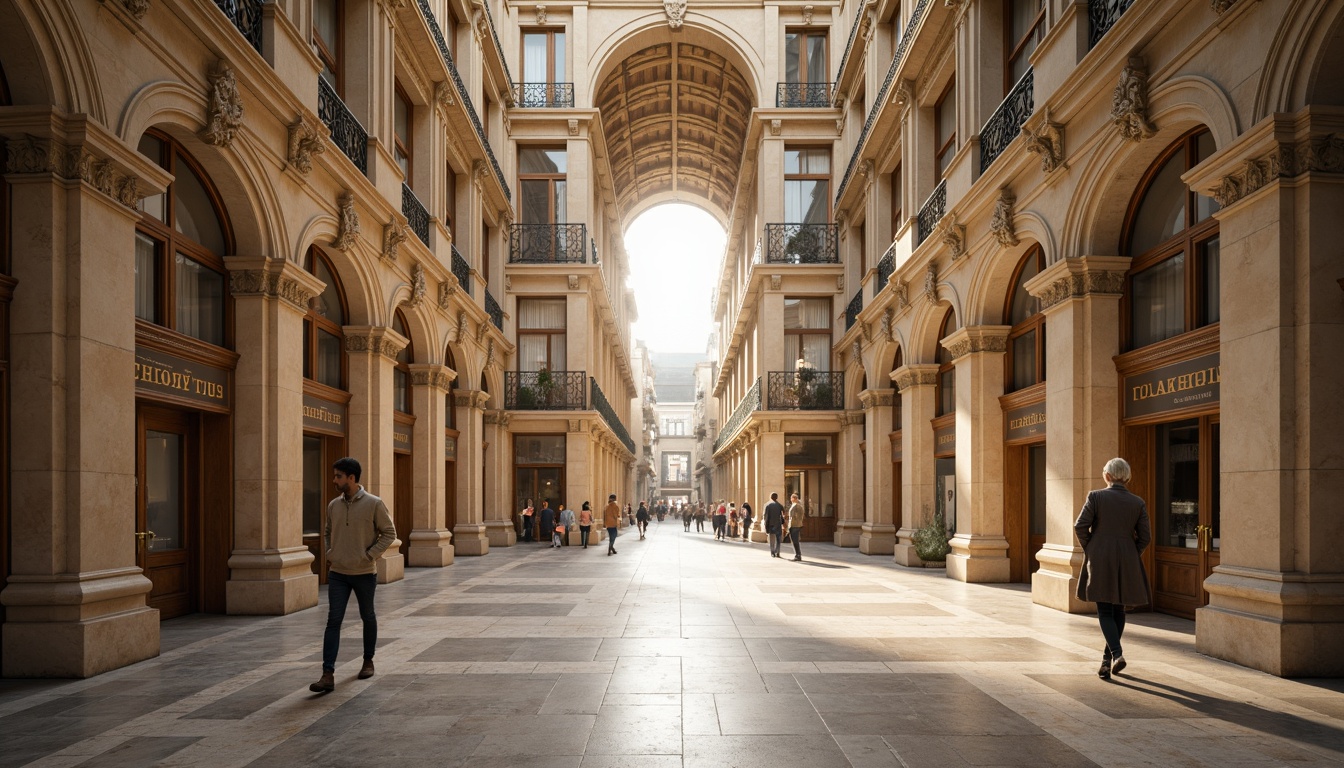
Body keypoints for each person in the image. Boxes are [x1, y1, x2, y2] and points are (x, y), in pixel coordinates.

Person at [310, 457, 396, 693]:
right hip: (338, 573)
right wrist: (330, 553)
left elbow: (389, 533)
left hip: (364, 573)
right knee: (333, 621)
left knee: (367, 616)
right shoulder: (333, 505)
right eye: (335, 475)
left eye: (338, 476)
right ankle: (327, 673)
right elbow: (328, 531)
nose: (334, 480)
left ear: (351, 477)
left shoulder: (374, 503)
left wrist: (369, 556)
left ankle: (368, 660)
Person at [1075, 457, 1151, 680]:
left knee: (1105, 610)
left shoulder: (1096, 497)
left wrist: (1092, 547)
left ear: (1107, 476)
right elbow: (1145, 537)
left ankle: (1116, 655)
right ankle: (1106, 662)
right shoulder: (1138, 502)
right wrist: (1131, 552)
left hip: (1100, 557)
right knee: (1118, 609)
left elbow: (1080, 526)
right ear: (1126, 477)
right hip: (1127, 557)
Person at [764, 493, 785, 558]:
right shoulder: (779, 505)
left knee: (772, 539)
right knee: (778, 539)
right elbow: (783, 513)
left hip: (771, 524)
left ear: (771, 497)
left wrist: (766, 525)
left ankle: (772, 552)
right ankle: (777, 552)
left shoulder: (768, 505)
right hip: (778, 524)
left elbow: (766, 516)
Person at [786, 493, 806, 561]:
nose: (791, 499)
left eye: (792, 498)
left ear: (794, 498)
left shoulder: (797, 506)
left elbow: (795, 516)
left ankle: (798, 555)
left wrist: (790, 525)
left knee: (795, 540)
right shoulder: (796, 505)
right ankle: (797, 554)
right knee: (794, 540)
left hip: (795, 525)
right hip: (795, 525)